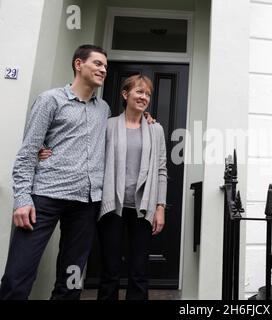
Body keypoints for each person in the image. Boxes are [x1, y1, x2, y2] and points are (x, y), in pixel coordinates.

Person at [0, 45, 110, 300]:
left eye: (105, 66)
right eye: (97, 64)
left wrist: (145, 118)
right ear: (78, 64)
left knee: (71, 279)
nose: (103, 69)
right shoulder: (50, 100)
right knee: (19, 274)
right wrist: (23, 198)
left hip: (86, 202)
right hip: (45, 198)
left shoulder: (103, 109)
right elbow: (28, 151)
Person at [96, 74, 167, 300]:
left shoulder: (156, 130)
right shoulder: (107, 126)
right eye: (139, 91)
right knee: (110, 270)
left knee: (139, 272)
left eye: (147, 93)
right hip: (112, 206)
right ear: (125, 95)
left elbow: (161, 170)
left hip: (142, 208)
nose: (144, 97)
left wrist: (160, 207)